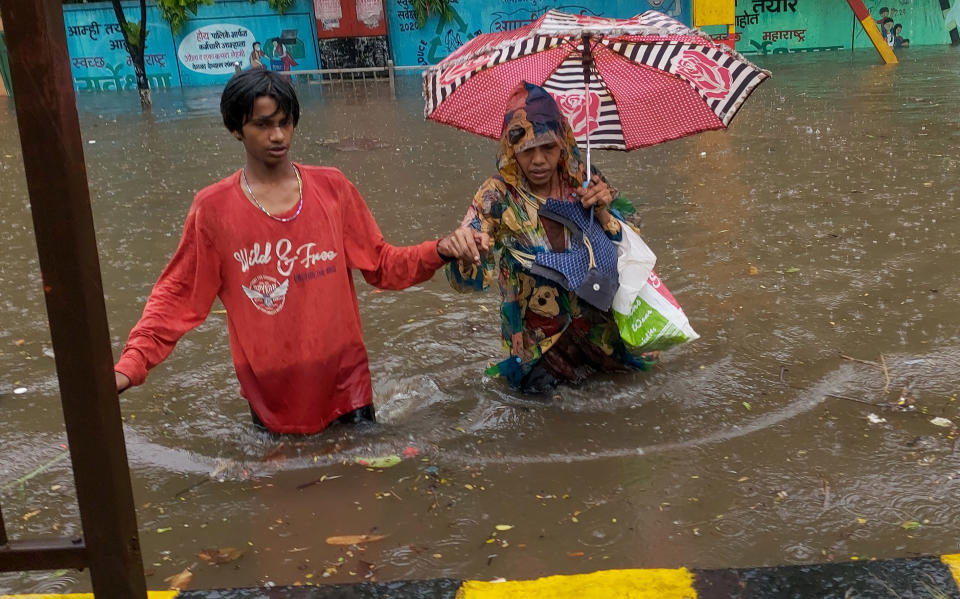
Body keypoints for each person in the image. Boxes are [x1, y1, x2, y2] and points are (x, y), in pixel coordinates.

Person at [113, 69, 485, 434]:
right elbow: (177, 298)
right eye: (262, 125)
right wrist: (131, 365)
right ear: (234, 129)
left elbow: (383, 265)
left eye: (285, 122)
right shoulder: (213, 210)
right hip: (272, 396)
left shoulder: (332, 188)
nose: (278, 135)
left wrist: (440, 249)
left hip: (346, 383)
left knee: (365, 484)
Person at [446, 82, 656, 394]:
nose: (540, 160)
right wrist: (465, 252)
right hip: (537, 346)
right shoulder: (497, 195)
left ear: (563, 143)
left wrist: (603, 210)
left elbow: (635, 241)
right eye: (527, 150)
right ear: (511, 149)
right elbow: (467, 281)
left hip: (600, 331)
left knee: (633, 394)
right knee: (542, 413)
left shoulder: (583, 177)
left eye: (548, 147)